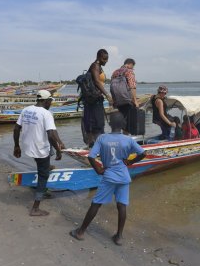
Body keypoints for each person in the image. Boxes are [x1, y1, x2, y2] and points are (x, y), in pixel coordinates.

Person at [70, 112, 146, 245]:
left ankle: (80, 232)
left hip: (109, 176)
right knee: (122, 206)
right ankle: (119, 237)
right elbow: (143, 153)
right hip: (123, 177)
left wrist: (99, 170)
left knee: (96, 204)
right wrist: (130, 162)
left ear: (109, 124)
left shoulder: (102, 138)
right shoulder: (128, 140)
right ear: (123, 125)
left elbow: (91, 156)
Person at [13, 90, 65, 216]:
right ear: (46, 101)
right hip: (40, 149)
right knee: (43, 176)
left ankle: (45, 166)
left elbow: (16, 128)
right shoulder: (46, 113)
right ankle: (35, 208)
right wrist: (58, 150)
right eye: (50, 101)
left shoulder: (26, 110)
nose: (51, 103)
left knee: (44, 159)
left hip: (28, 146)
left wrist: (16, 146)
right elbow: (50, 135)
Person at [82, 49, 113, 147]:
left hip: (97, 99)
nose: (106, 61)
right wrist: (108, 95)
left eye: (107, 59)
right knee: (96, 123)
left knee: (99, 123)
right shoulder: (95, 66)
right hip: (94, 100)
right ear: (99, 57)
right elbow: (96, 81)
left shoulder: (99, 66)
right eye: (104, 59)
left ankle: (97, 145)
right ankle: (95, 146)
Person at [111, 58, 138, 134]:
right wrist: (135, 100)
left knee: (122, 121)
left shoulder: (115, 72)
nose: (133, 68)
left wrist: (114, 101)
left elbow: (112, 88)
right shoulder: (129, 71)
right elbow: (132, 87)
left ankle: (120, 137)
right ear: (130, 64)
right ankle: (126, 140)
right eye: (133, 67)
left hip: (118, 101)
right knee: (129, 122)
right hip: (128, 100)